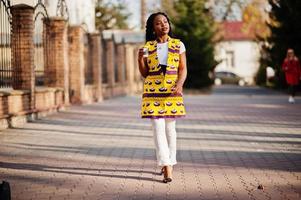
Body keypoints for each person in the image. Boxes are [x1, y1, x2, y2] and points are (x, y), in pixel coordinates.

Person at [137, 12, 187, 183]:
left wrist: (180, 84)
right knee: (158, 128)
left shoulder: (178, 45)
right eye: (158, 23)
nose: (163, 25)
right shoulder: (148, 47)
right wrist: (140, 60)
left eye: (165, 22)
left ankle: (170, 162)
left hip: (172, 92)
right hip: (153, 93)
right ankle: (167, 166)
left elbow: (183, 69)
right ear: (153, 28)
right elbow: (145, 73)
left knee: (170, 129)